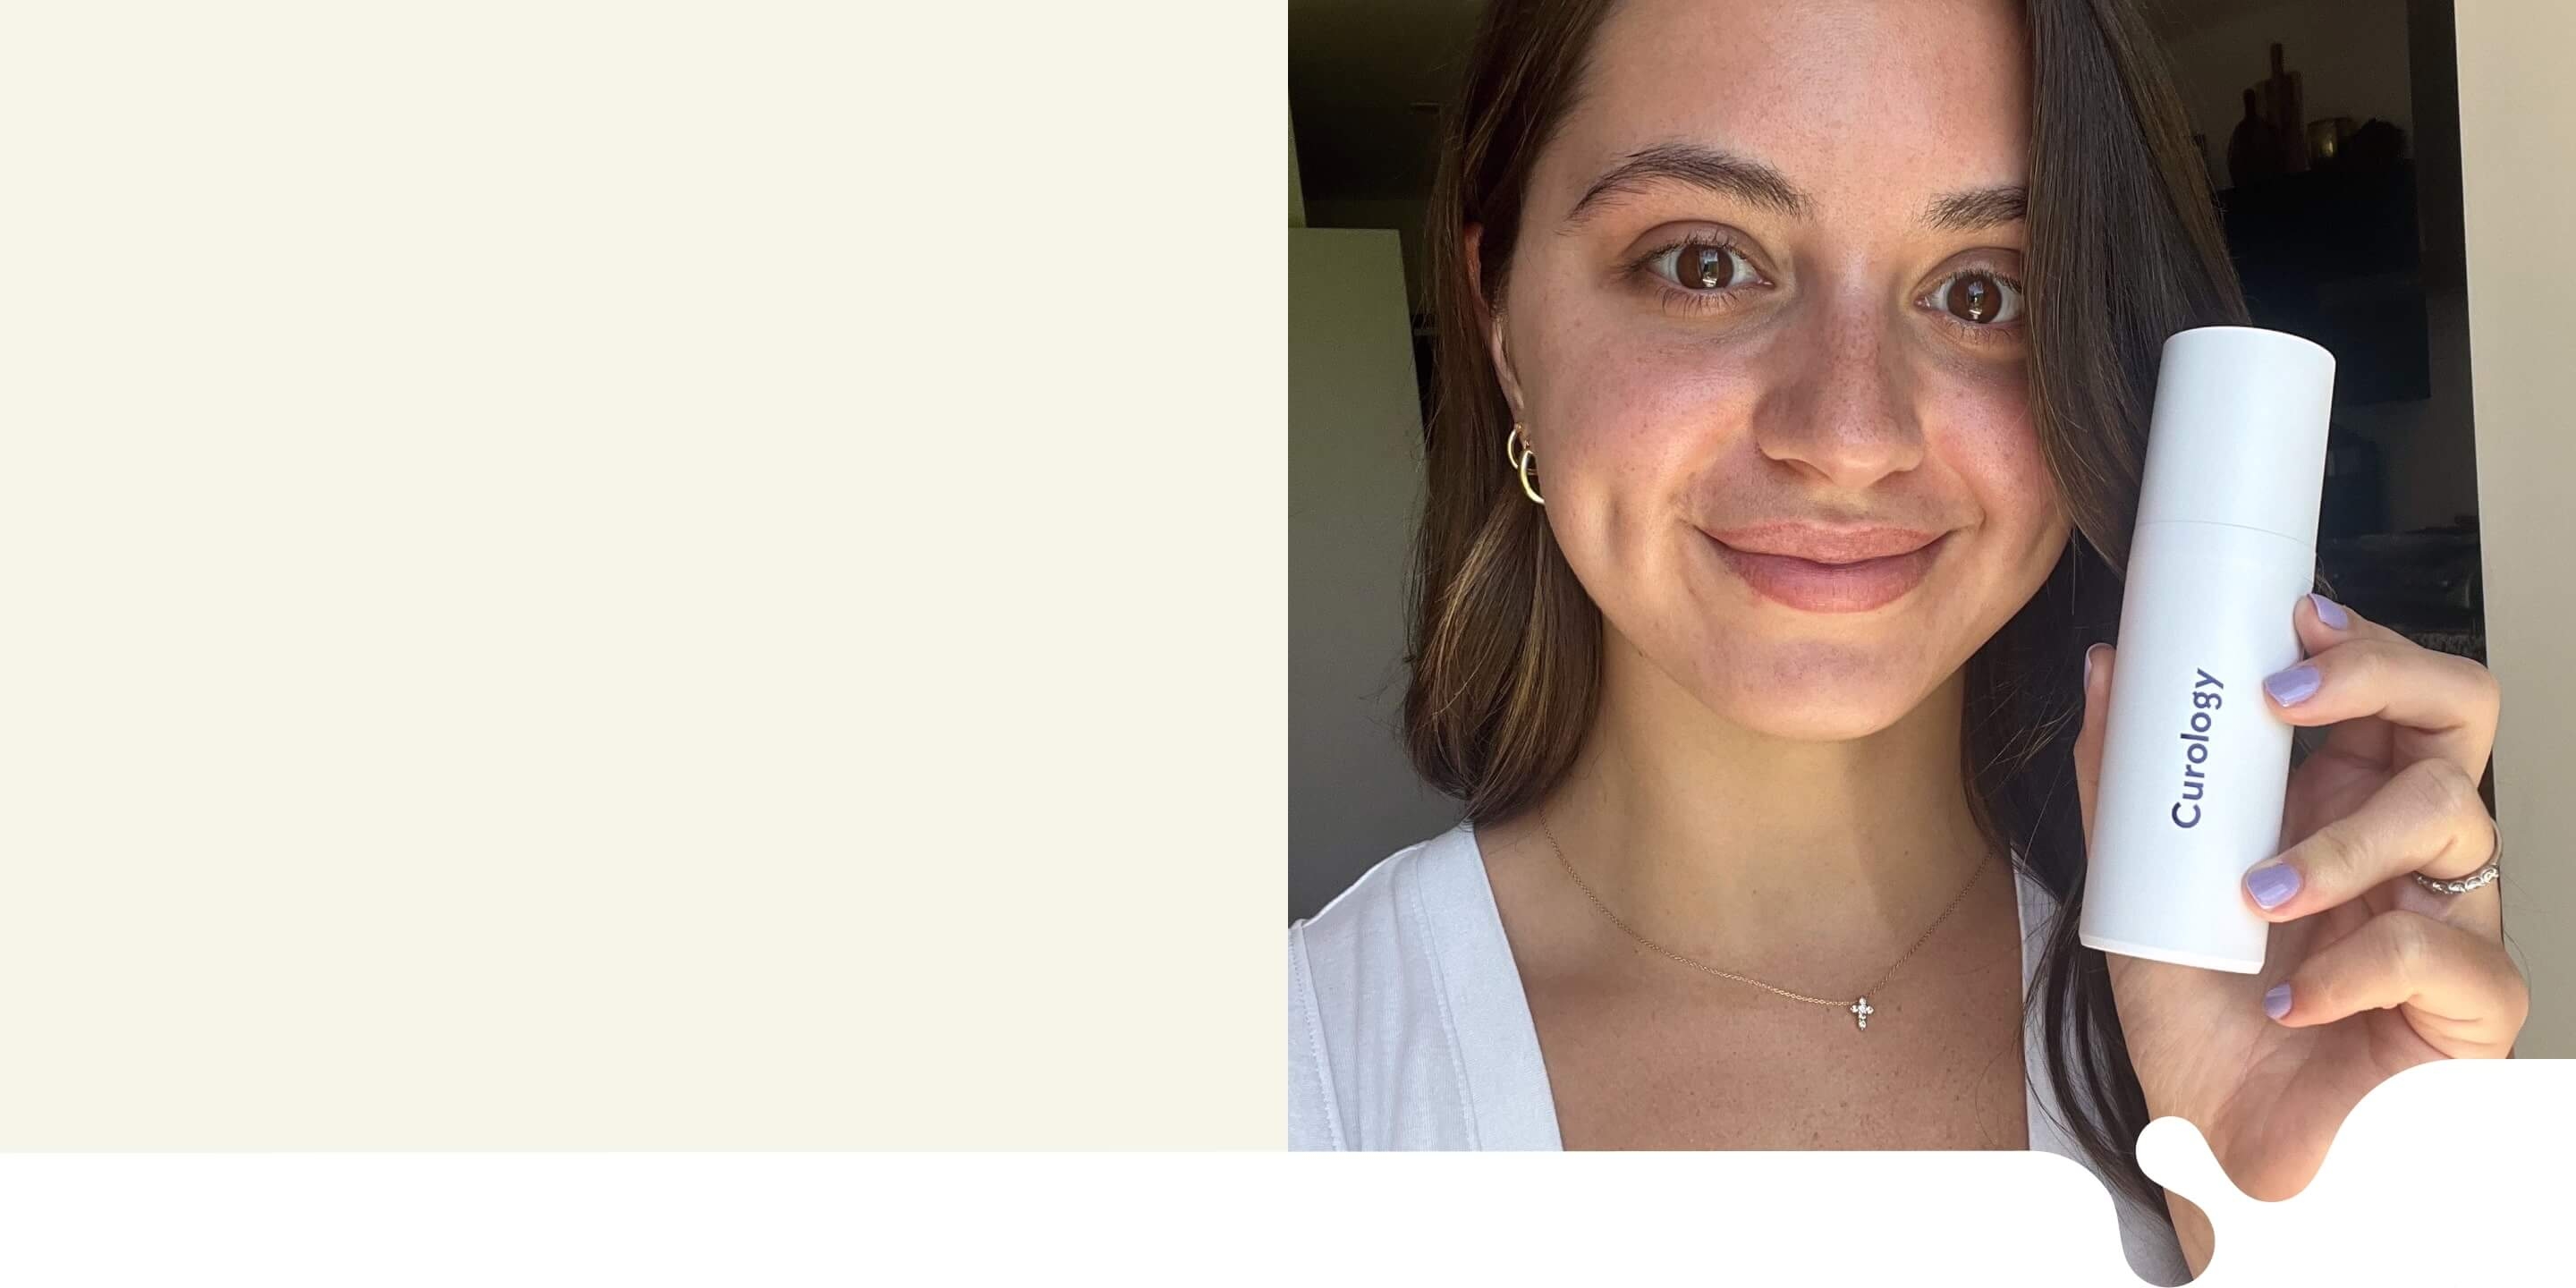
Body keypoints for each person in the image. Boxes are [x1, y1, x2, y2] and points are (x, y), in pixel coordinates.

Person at [1285, 0, 2526, 1282]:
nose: (1850, 436)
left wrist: (2308, 1224)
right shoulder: (1287, 1086)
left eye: (1983, 291)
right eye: (1704, 264)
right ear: (1501, 321)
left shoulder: (2250, 988)